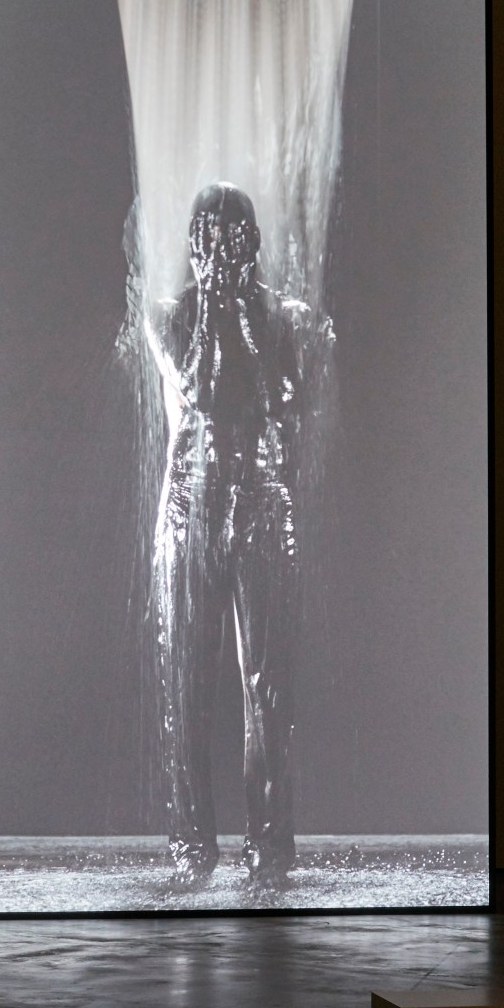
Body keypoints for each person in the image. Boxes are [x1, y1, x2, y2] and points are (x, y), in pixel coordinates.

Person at [151, 184, 306, 888]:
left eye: (233, 237)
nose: (220, 251)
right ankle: (192, 846)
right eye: (208, 237)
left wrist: (238, 314)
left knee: (267, 684)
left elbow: (282, 396)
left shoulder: (286, 318)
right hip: (192, 504)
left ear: (254, 244)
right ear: (192, 244)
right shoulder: (168, 316)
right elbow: (197, 389)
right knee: (187, 680)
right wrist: (218, 309)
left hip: (265, 502)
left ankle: (269, 849)